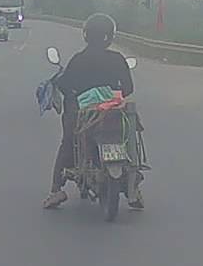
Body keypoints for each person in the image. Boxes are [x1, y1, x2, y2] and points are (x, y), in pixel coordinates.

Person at [43, 13, 142, 209]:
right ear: (110, 36)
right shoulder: (117, 59)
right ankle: (135, 187)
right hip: (114, 114)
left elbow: (65, 85)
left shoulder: (79, 59)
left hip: (83, 116)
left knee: (68, 142)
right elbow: (128, 88)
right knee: (131, 136)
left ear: (86, 35)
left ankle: (56, 190)